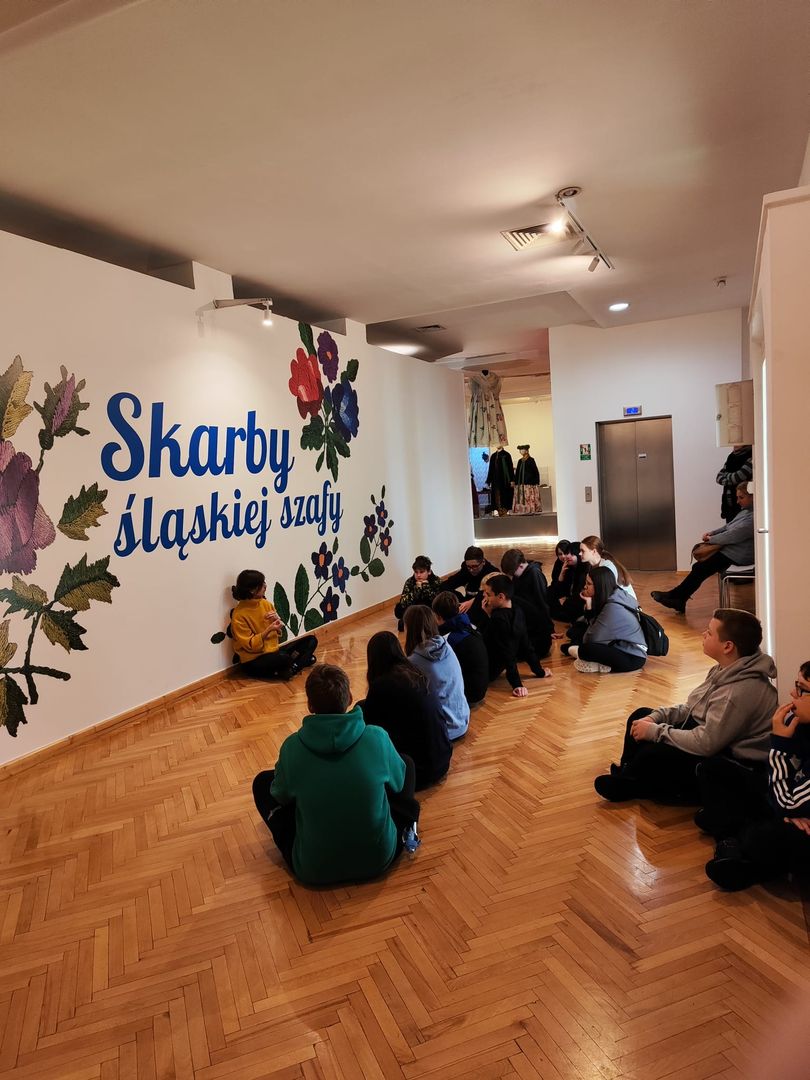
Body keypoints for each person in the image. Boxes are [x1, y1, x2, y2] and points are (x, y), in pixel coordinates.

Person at [252, 664, 420, 885]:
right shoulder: (377, 737)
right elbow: (398, 784)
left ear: (310, 705)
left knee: (262, 782)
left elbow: (280, 795)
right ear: (349, 697)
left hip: (314, 868)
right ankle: (408, 828)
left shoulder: (292, 747)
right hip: (378, 859)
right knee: (405, 763)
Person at [593, 608, 776, 803]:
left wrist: (655, 732)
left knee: (653, 753)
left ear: (727, 646)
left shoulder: (738, 692)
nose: (703, 634)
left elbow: (707, 743)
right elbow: (691, 708)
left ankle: (636, 784)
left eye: (710, 632)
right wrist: (655, 718)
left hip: (729, 757)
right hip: (711, 735)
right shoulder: (725, 669)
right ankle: (628, 775)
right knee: (640, 716)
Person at [704, 660, 810, 891]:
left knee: (763, 837)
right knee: (714, 768)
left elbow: (787, 802)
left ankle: (735, 846)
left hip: (796, 816)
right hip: (791, 802)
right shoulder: (801, 724)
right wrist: (789, 810)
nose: (793, 694)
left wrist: (780, 744)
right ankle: (732, 841)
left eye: (802, 689)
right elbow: (782, 790)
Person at [359, 632, 452, 789]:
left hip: (415, 773)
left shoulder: (381, 686)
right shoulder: (415, 672)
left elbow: (374, 732)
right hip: (442, 759)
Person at [651, 482, 753, 614]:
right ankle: (678, 597)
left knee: (701, 567)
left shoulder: (753, 518)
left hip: (739, 555)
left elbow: (732, 535)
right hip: (732, 551)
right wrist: (712, 533)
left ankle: (677, 597)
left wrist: (711, 539)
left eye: (741, 497)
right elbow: (727, 527)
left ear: (752, 496)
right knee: (700, 567)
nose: (738, 501)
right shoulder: (745, 512)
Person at [230, 569, 317, 679]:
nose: (265, 586)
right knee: (285, 658)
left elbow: (277, 634)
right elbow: (250, 646)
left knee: (311, 640)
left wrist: (277, 622)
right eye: (262, 584)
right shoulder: (239, 615)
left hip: (273, 651)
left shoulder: (265, 604)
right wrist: (268, 630)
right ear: (252, 590)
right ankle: (298, 663)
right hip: (253, 660)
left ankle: (292, 668)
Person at [564, 566, 647, 674]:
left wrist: (589, 609)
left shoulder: (612, 607)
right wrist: (589, 605)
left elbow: (591, 639)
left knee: (585, 649)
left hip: (631, 657)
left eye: (589, 584)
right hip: (623, 646)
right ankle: (597, 663)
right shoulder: (617, 594)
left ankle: (599, 665)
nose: (585, 586)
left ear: (599, 586)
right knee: (576, 631)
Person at [404, 606, 470, 740]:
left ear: (409, 628)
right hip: (463, 719)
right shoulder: (445, 645)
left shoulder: (414, 661)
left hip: (444, 730)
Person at [480, 574, 552, 697]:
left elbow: (506, 652)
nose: (484, 597)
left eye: (488, 594)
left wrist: (517, 684)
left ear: (501, 596)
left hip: (486, 668)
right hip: (494, 664)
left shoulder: (498, 618)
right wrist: (539, 671)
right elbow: (526, 645)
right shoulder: (517, 610)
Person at [431, 591, 488, 707]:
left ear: (438, 616)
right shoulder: (469, 625)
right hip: (481, 690)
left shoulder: (449, 639)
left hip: (467, 696)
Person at [499, 548, 554, 659]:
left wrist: (550, 629)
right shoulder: (519, 575)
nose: (512, 576)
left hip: (536, 626)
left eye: (512, 573)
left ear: (520, 566)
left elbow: (542, 603)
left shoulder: (534, 574)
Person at [442, 545, 499, 614]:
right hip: (466, 603)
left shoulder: (493, 573)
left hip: (485, 606)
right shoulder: (466, 570)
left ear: (483, 562)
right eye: (469, 566)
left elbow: (492, 596)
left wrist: (472, 602)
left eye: (475, 566)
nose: (471, 570)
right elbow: (448, 584)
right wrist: (458, 599)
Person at [393, 555, 442, 631]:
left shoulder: (436, 580)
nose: (418, 575)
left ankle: (420, 622)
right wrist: (417, 589)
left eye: (422, 572)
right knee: (398, 609)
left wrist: (426, 587)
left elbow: (438, 601)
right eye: (416, 572)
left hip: (429, 609)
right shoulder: (410, 581)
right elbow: (403, 602)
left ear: (429, 571)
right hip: (414, 608)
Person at [579, 535, 637, 600]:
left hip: (625, 602)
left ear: (594, 551)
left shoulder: (607, 567)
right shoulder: (590, 565)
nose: (579, 553)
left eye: (582, 551)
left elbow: (605, 593)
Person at [716, 444, 752, 522]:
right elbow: (718, 478)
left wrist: (726, 476)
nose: (734, 444)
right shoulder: (731, 456)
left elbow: (738, 477)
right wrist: (731, 479)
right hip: (729, 507)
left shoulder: (751, 455)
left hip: (743, 506)